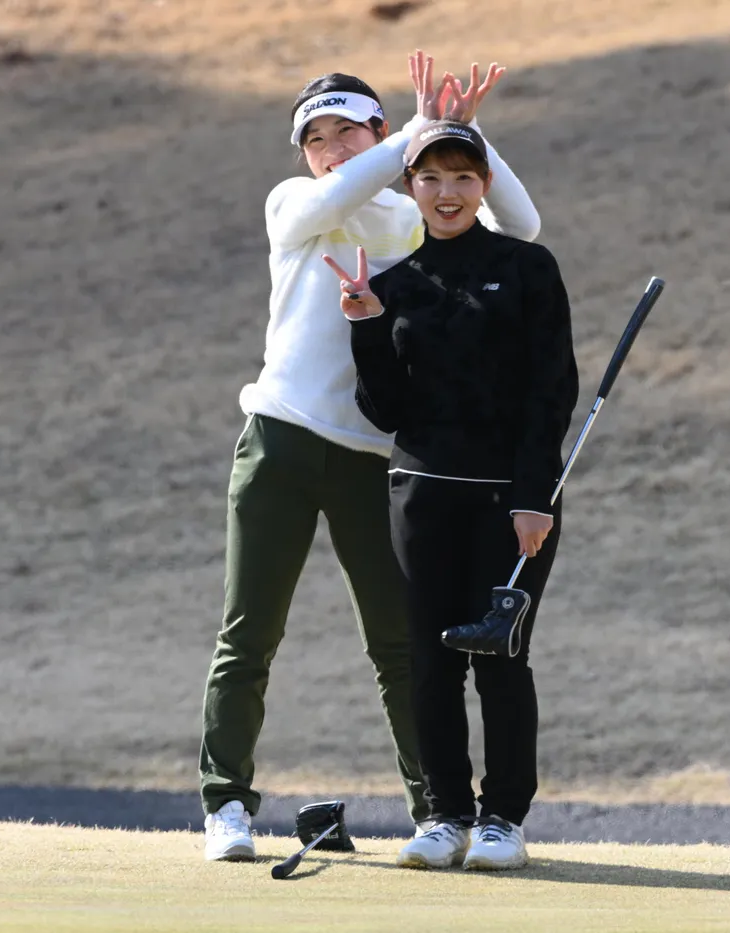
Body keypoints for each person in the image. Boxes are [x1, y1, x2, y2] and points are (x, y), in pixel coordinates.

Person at [199, 54, 543, 862]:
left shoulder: (416, 217)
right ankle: (226, 805)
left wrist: (459, 133)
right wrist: (413, 136)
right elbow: (333, 197)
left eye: (347, 131)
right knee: (249, 632)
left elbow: (520, 228)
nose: (331, 148)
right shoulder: (295, 202)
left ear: (380, 131)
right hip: (280, 440)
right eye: (315, 138)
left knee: (399, 642)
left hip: (371, 457)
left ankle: (435, 811)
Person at [322, 120, 578, 871]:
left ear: (484, 185)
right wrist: (367, 328)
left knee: (501, 656)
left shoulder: (527, 268)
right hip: (421, 495)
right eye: (431, 177)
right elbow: (387, 411)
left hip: (511, 501)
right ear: (411, 187)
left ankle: (503, 820)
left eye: (463, 176)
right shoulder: (393, 286)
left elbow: (551, 391)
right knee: (430, 661)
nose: (447, 192)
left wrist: (535, 496)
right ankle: (444, 816)